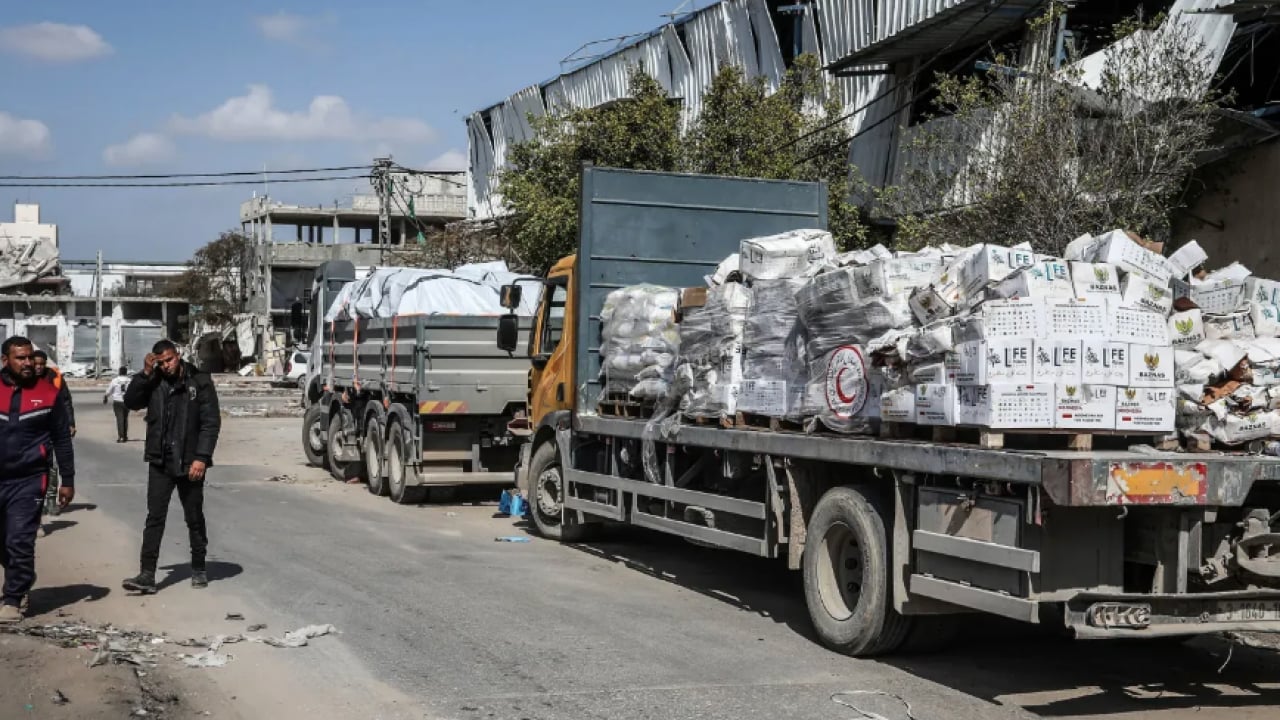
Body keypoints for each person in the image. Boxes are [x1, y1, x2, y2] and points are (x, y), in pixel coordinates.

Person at [121, 340, 220, 594]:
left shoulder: (199, 381)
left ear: (178, 356)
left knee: (194, 517)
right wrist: (144, 374)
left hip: (190, 462)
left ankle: (198, 566)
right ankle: (147, 574)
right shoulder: (153, 380)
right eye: (161, 362)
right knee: (154, 518)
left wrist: (202, 457)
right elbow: (131, 401)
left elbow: (210, 422)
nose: (166, 366)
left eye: (169, 360)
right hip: (160, 460)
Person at [0, 336, 75, 623]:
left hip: (29, 479)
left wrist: (67, 479)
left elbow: (61, 439)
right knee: (4, 540)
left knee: (20, 538)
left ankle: (13, 597)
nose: (28, 363)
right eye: (21, 358)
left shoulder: (48, 394)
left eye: (30, 357)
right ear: (6, 360)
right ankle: (24, 575)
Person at [32, 350, 75, 437]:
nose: (38, 367)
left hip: (52, 422)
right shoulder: (23, 377)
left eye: (41, 364)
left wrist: (71, 423)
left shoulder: (55, 377)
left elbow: (66, 401)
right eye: (35, 364)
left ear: (45, 363)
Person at [103, 367, 132, 443]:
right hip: (127, 402)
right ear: (126, 372)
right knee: (125, 419)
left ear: (119, 372)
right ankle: (125, 436)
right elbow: (133, 391)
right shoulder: (129, 381)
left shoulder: (115, 381)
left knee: (119, 419)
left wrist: (106, 397)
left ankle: (121, 436)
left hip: (117, 402)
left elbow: (109, 390)